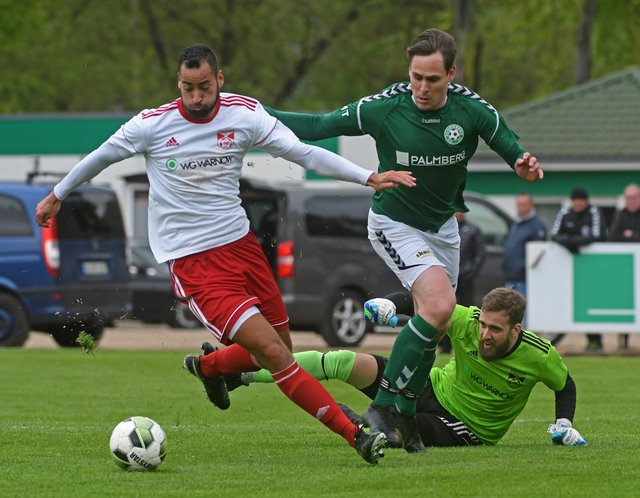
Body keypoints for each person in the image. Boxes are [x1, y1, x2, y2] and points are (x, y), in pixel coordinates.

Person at [34, 44, 418, 465]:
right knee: (275, 354)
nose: (196, 97)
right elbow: (100, 157)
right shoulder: (152, 124)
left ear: (219, 79)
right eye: (187, 88)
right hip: (194, 262)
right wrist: (57, 194)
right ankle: (355, 434)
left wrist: (367, 177)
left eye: (204, 87)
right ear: (178, 84)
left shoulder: (244, 114)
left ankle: (210, 367)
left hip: (242, 248)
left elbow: (302, 152)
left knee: (280, 349)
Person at [263, 28, 543, 447]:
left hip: (443, 230)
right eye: (416, 77)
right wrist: (254, 113)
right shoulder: (385, 107)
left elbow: (510, 147)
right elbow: (319, 124)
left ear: (451, 74)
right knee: (440, 306)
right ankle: (384, 406)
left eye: (432, 79)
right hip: (393, 223)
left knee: (436, 323)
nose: (422, 88)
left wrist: (522, 163)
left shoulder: (471, 110)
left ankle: (407, 416)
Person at [223, 288, 587, 449]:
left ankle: (357, 424)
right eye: (483, 325)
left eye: (495, 329)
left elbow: (564, 384)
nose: (484, 335)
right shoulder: (467, 320)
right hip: (430, 385)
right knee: (343, 361)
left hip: (466, 427)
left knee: (393, 435)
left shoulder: (540, 354)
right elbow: (422, 302)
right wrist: (389, 303)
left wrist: (564, 423)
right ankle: (241, 375)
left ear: (516, 330)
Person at [550, 187, 607, 352]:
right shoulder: (565, 213)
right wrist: (571, 243)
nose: (578, 203)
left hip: (591, 267)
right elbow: (554, 235)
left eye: (581, 200)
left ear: (586, 201)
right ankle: (556, 337)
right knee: (567, 299)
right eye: (576, 200)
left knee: (590, 300)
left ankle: (595, 339)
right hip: (567, 267)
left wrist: (572, 242)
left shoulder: (594, 212)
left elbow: (597, 236)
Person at [439, 211, 485, 353]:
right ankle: (445, 345)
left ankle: (467, 342)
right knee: (446, 309)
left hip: (465, 278)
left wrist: (471, 272)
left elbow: (480, 254)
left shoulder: (473, 230)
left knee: (467, 309)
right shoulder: (444, 228)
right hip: (448, 277)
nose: (458, 214)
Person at [502, 193, 547, 327]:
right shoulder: (517, 223)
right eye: (519, 204)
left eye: (524, 204)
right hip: (511, 276)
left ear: (531, 206)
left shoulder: (537, 226)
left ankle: (523, 337)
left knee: (522, 312)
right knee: (512, 312)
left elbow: (538, 253)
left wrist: (523, 267)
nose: (521, 207)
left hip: (524, 278)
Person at [609, 183, 640, 349]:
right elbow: (613, 236)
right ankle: (624, 342)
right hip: (625, 269)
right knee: (625, 303)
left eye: (634, 197)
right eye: (628, 198)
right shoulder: (620, 214)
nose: (631, 201)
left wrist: (630, 234)